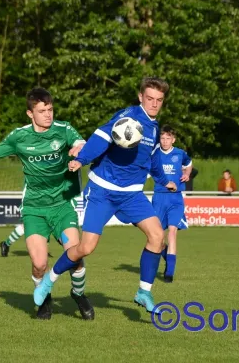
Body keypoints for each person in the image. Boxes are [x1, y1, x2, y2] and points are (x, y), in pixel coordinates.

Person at [33, 77, 175, 314]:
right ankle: (49, 280)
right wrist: (81, 159)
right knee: (86, 248)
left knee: (158, 236)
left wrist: (164, 180)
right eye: (149, 98)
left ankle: (143, 292)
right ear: (140, 97)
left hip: (131, 194)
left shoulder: (154, 127)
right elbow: (101, 137)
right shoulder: (127, 117)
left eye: (159, 100)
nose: (154, 104)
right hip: (103, 191)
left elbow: (154, 159)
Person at [0, 87, 94, 321]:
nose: (48, 114)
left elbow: (82, 142)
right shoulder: (19, 137)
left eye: (50, 109)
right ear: (30, 114)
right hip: (34, 210)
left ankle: (78, 294)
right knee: (39, 264)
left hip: (61, 205)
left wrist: (80, 149)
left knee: (75, 257)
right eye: (42, 111)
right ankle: (44, 299)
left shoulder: (63, 129)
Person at [151, 126, 192, 283]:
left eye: (168, 138)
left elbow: (188, 164)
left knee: (172, 232)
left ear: (173, 140)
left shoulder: (180, 154)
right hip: (159, 198)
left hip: (175, 199)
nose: (165, 141)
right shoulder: (154, 154)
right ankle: (168, 256)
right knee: (157, 238)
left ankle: (169, 273)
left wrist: (187, 174)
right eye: (162, 138)